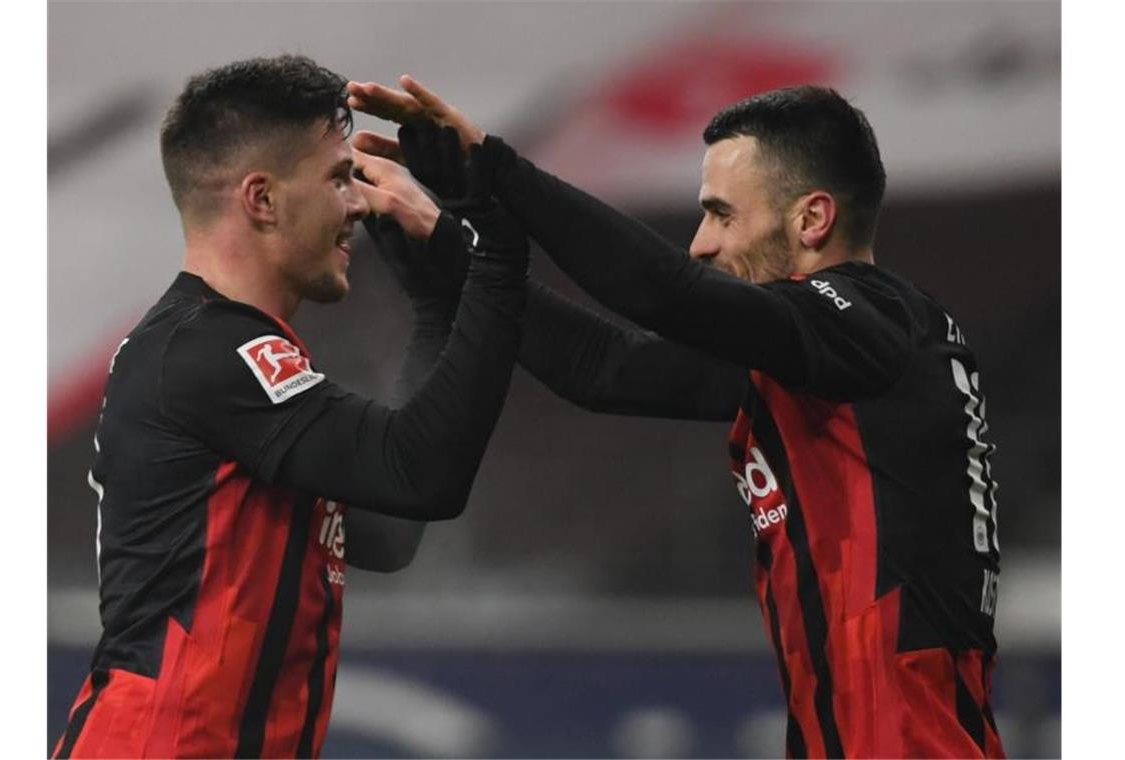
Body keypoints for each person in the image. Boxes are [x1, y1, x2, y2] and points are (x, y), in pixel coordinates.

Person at [350, 77, 1005, 758]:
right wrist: (448, 242)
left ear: (812, 220)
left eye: (722, 214)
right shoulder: (836, 356)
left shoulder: (873, 323)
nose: (700, 243)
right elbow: (605, 367)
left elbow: (666, 295)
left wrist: (496, 168)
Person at [52, 56, 530, 759]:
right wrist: (493, 256)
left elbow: (392, 528)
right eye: (338, 177)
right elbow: (421, 474)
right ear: (262, 199)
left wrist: (437, 305)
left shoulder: (230, 358)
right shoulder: (213, 354)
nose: (360, 204)